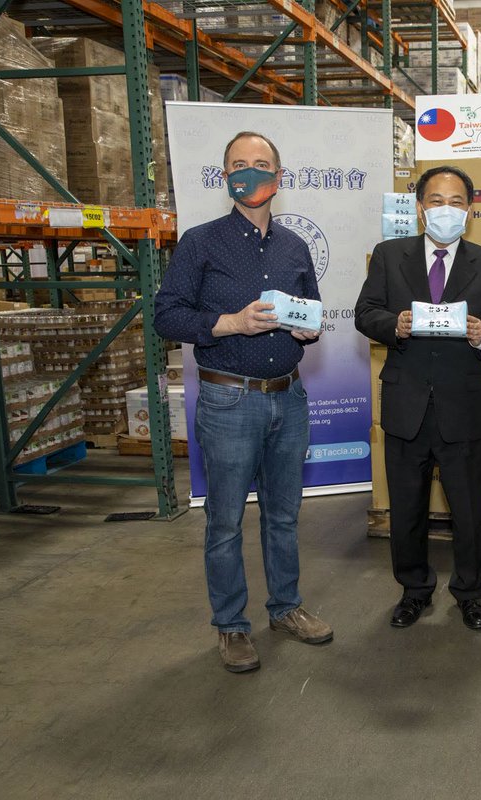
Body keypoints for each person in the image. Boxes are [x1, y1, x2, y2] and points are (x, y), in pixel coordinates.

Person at [155, 131, 333, 674]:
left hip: (290, 397)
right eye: (239, 165)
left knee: (283, 516)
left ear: (279, 177)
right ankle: (231, 626)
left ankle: (284, 608)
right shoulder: (200, 242)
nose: (250, 173)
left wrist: (308, 331)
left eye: (261, 165)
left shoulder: (294, 246)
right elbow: (167, 315)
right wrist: (229, 322)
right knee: (226, 521)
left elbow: (313, 312)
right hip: (228, 399)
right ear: (224, 175)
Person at [355, 165, 481, 631]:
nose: (444, 209)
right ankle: (413, 590)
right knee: (406, 508)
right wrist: (395, 325)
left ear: (469, 211)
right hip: (406, 404)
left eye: (455, 202)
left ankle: (470, 592)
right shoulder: (390, 257)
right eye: (435, 200)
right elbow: (364, 312)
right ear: (419, 207)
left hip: (463, 408)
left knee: (470, 511)